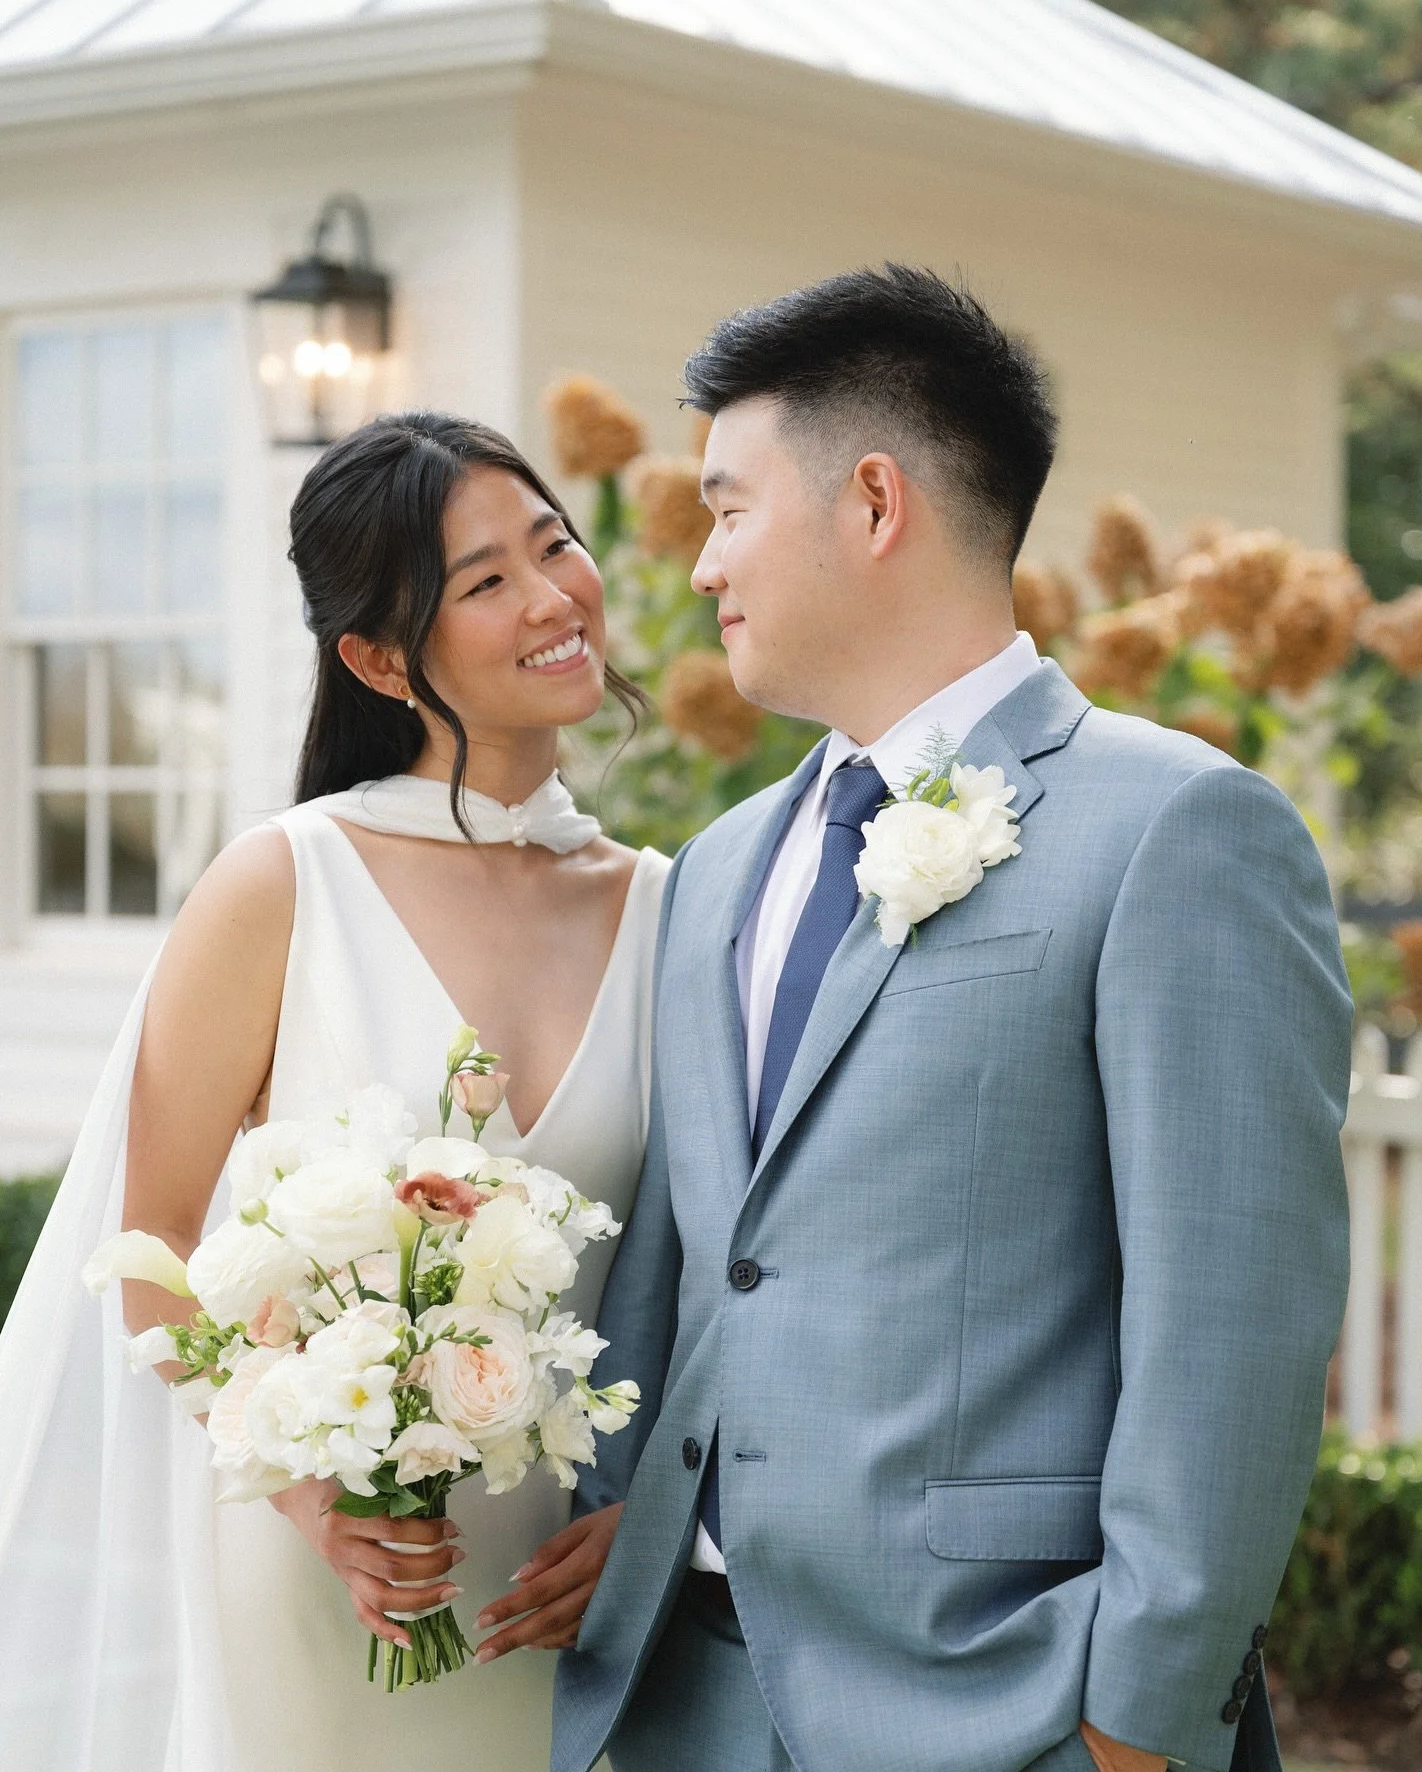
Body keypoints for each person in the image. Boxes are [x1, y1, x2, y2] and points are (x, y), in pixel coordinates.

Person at [545, 266, 1352, 1772]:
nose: (703, 565)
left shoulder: (1177, 832)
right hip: (687, 1708)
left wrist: (1138, 1718)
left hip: (1016, 1710)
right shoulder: (717, 870)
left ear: (872, 502)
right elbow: (696, 1260)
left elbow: (1236, 1322)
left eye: (729, 509)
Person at [0, 413, 669, 1772]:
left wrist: (646, 1522)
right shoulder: (284, 882)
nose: (552, 599)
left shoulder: (670, 907)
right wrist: (314, 1497)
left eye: (555, 546)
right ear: (377, 658)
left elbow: (716, 1269)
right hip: (331, 1581)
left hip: (567, 1597)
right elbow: (154, 1254)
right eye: (485, 583)